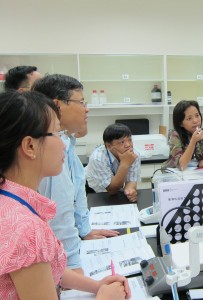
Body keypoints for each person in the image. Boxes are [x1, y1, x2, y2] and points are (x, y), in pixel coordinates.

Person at [0, 91, 130, 300]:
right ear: (30, 146)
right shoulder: (26, 229)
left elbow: (46, 269)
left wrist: (96, 286)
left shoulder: (11, 201)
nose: (63, 144)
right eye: (57, 134)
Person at [32, 74, 119, 274]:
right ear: (57, 105)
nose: (86, 108)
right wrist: (72, 265)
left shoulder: (67, 141)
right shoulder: (49, 151)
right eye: (81, 102)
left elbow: (76, 194)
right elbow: (58, 217)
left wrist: (84, 229)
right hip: (56, 263)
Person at [86, 123, 141, 202]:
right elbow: (112, 190)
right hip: (95, 191)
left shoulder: (134, 154)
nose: (128, 145)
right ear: (109, 146)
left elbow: (131, 180)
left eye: (129, 140)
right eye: (122, 142)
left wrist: (130, 191)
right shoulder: (97, 158)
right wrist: (125, 163)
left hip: (117, 188)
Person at [162, 100, 203, 170]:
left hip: (196, 174)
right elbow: (181, 165)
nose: (195, 121)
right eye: (189, 118)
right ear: (181, 123)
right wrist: (193, 141)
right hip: (176, 174)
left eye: (197, 115)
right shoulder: (175, 135)